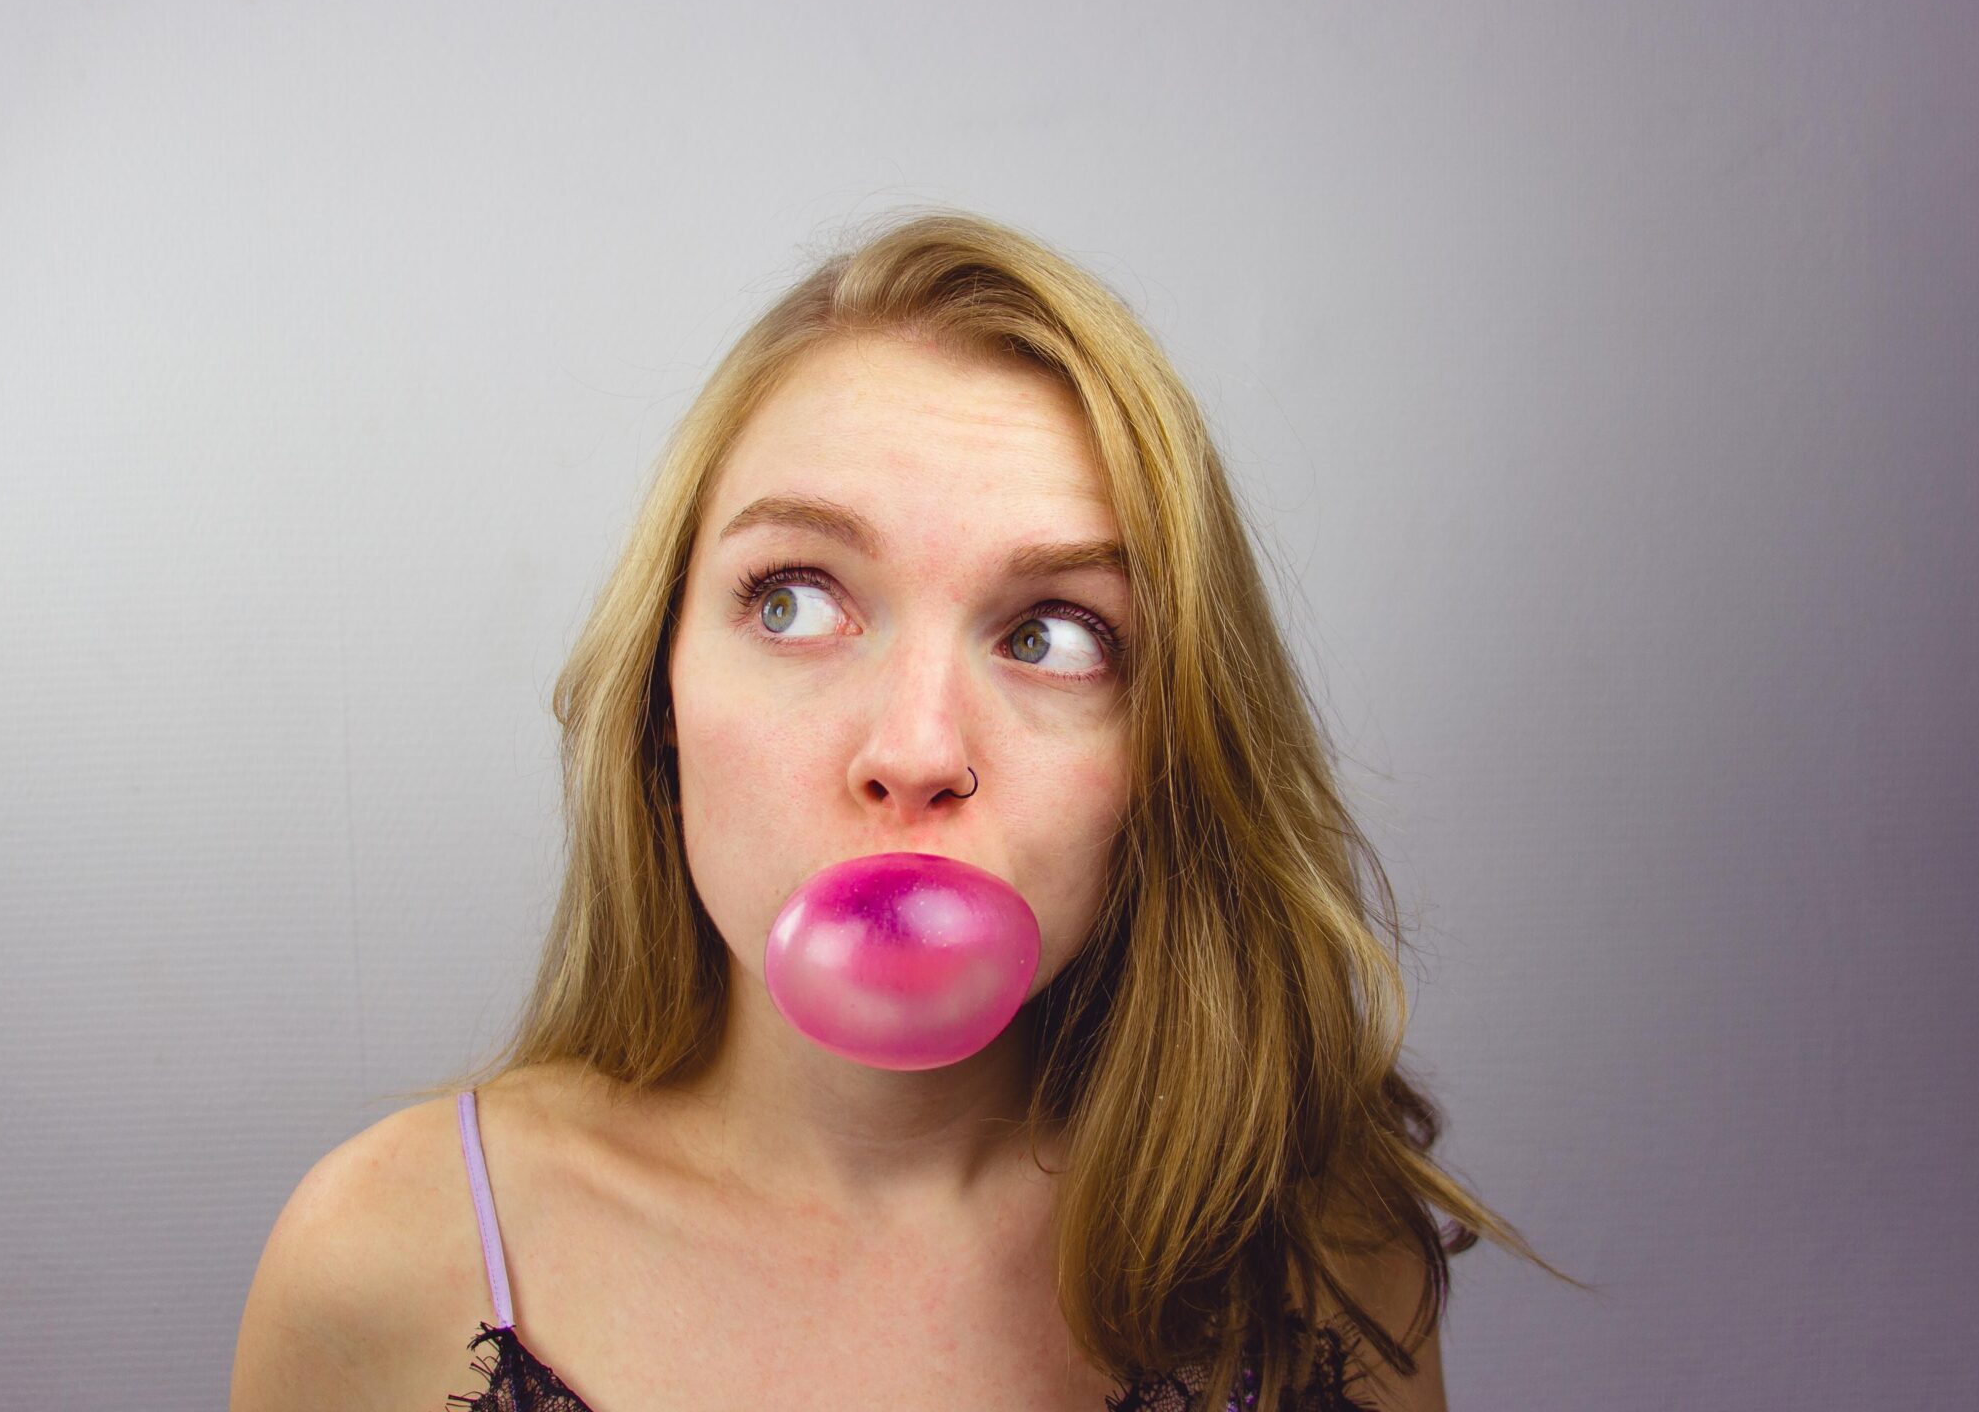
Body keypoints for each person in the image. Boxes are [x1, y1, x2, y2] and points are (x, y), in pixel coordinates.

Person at [228, 210, 1576, 1412]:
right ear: (660, 694)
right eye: (794, 602)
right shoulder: (390, 1260)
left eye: (1054, 636)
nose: (916, 751)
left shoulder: (1325, 1263)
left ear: (1169, 753)